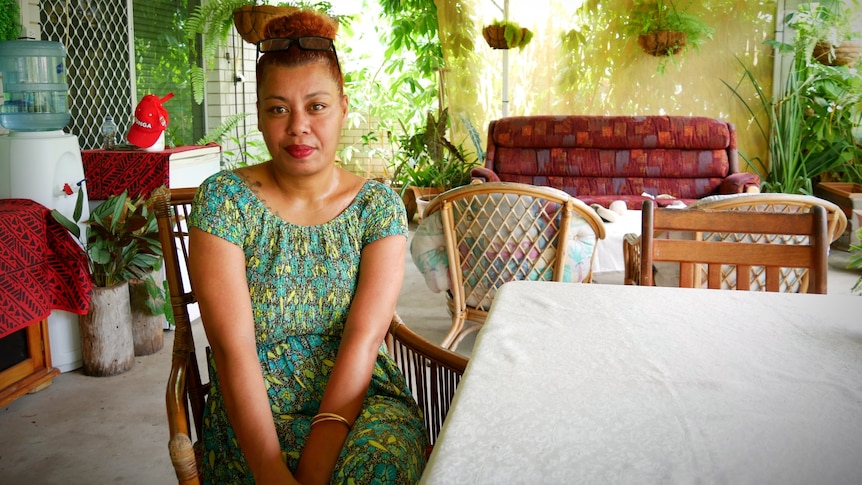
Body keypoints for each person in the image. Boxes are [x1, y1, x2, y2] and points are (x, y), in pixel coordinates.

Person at [187, 9, 426, 485]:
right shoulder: (224, 202)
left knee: (377, 470)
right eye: (278, 108)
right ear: (258, 115)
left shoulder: (376, 207)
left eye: (316, 106)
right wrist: (274, 474)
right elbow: (234, 353)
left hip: (359, 399)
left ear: (342, 106)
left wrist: (315, 471)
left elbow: (363, 341)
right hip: (252, 412)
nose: (298, 126)